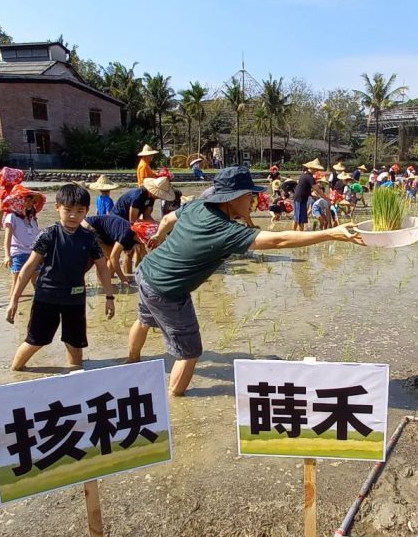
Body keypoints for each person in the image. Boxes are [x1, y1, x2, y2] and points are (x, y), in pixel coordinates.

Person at [128, 166, 362, 396]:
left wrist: (158, 235)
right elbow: (279, 241)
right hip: (168, 291)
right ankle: (174, 400)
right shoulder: (226, 230)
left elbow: (168, 218)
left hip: (146, 272)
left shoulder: (198, 205)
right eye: (249, 195)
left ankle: (131, 364)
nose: (253, 200)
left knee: (144, 320)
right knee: (189, 353)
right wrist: (330, 233)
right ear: (232, 199)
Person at [6, 184, 116, 371]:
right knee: (35, 341)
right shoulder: (48, 235)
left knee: (76, 345)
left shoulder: (90, 238)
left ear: (86, 211)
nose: (73, 215)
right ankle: (14, 373)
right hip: (46, 298)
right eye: (68, 210)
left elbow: (103, 267)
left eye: (79, 211)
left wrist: (109, 297)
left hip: (75, 299)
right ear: (57, 207)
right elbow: (28, 268)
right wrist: (14, 300)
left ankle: (75, 377)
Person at [1, 184, 45, 291]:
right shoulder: (11, 217)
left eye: (34, 202)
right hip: (18, 253)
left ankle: (37, 297)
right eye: (31, 201)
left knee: (37, 280)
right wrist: (7, 256)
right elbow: (7, 239)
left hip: (33, 253)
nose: (33, 205)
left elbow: (36, 236)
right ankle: (13, 299)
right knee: (17, 284)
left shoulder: (32, 218)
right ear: (22, 200)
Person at [84, 213, 141, 285]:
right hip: (88, 226)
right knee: (100, 258)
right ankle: (101, 283)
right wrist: (122, 278)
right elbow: (113, 257)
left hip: (99, 231)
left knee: (103, 257)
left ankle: (103, 282)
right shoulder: (126, 234)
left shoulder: (133, 235)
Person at [293, 158, 323, 232]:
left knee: (297, 217)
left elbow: (304, 187)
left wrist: (311, 195)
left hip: (300, 197)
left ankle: (293, 232)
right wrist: (325, 198)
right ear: (312, 168)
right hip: (300, 198)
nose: (316, 171)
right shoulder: (309, 177)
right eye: (315, 169)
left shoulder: (305, 174)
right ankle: (300, 234)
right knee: (300, 219)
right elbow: (317, 189)